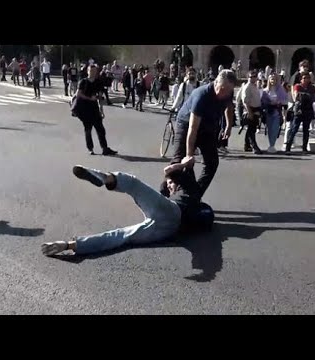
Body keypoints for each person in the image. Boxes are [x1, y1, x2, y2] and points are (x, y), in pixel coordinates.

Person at [41, 161, 214, 256]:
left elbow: (172, 173)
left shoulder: (189, 191)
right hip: (163, 230)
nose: (169, 187)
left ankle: (106, 178)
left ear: (179, 182)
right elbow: (163, 188)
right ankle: (69, 245)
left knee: (132, 183)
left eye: (171, 184)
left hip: (173, 214)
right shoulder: (171, 198)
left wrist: (180, 166)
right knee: (120, 236)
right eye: (167, 185)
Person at [170, 69, 236, 198]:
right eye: (222, 89)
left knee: (212, 163)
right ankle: (171, 191)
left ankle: (195, 195)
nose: (224, 93)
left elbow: (229, 107)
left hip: (207, 126)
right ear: (216, 82)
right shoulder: (202, 95)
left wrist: (228, 126)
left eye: (228, 91)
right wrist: (189, 155)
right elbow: (192, 129)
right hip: (186, 123)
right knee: (181, 160)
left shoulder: (228, 92)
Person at [72, 64, 118, 156]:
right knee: (88, 129)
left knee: (101, 129)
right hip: (84, 109)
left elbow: (100, 97)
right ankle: (90, 149)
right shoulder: (83, 82)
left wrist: (101, 110)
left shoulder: (98, 82)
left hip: (94, 108)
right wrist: (90, 98)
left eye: (94, 71)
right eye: (91, 71)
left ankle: (105, 148)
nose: (93, 73)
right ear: (88, 71)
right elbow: (78, 94)